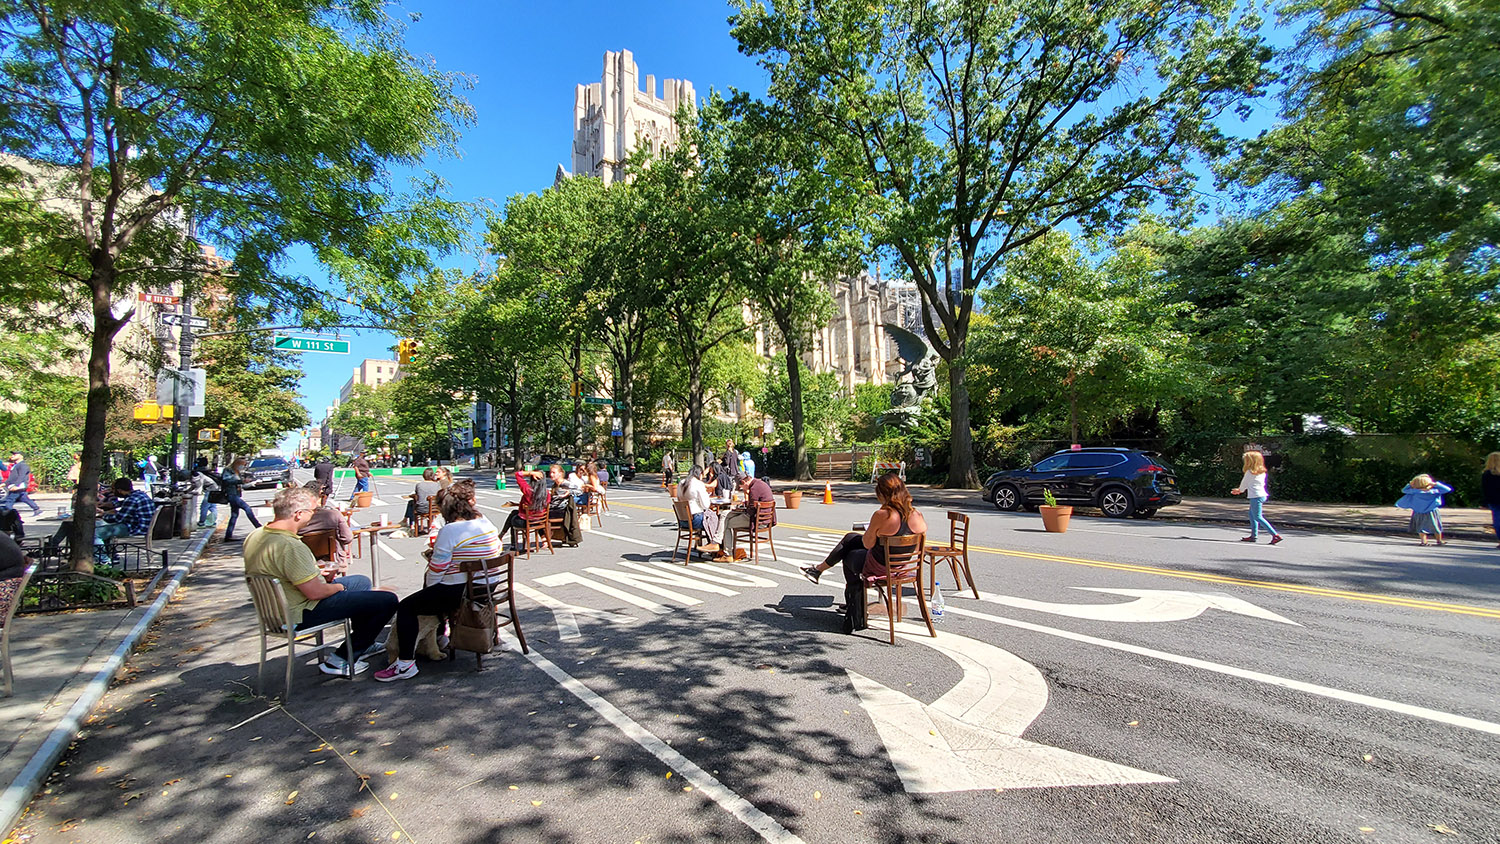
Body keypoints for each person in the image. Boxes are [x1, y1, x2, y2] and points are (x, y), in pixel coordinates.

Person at [244, 486, 397, 676]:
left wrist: (320, 577)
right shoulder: (290, 546)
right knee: (387, 600)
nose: (314, 515)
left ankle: (363, 642)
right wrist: (339, 587)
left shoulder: (256, 535)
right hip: (301, 612)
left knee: (361, 582)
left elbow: (285, 574)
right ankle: (339, 660)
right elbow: (315, 593)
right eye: (312, 511)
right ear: (299, 514)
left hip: (278, 607)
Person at [375, 481, 502, 682]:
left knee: (408, 606)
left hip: (460, 592)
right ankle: (439, 638)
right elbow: (498, 548)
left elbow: (436, 571)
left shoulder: (450, 531)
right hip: (488, 586)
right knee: (432, 597)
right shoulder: (485, 522)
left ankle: (405, 663)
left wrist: (430, 589)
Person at [800, 473, 927, 633]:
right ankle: (819, 571)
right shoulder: (917, 515)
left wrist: (875, 529)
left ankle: (854, 609)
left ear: (882, 494)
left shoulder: (883, 515)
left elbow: (868, 544)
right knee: (850, 538)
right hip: (903, 568)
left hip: (879, 567)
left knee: (847, 555)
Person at [708, 473, 776, 562]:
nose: (741, 489)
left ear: (744, 482)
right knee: (725, 514)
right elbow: (753, 505)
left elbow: (750, 511)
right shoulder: (760, 483)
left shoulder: (754, 489)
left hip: (757, 521)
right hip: (766, 518)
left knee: (726, 523)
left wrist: (740, 509)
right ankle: (717, 542)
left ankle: (727, 554)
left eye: (741, 487)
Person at [296, 481, 355, 578]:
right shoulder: (334, 515)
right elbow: (347, 538)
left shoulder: (297, 518)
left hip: (305, 563)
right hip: (332, 562)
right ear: (320, 497)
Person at [1230, 451, 1282, 545]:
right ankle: (1253, 536)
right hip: (1261, 495)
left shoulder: (1249, 472)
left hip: (1255, 496)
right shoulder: (1262, 472)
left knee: (1258, 517)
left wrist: (1239, 490)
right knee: (1252, 515)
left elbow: (1244, 485)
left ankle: (1275, 535)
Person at [1398, 474, 1453, 546]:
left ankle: (1424, 541)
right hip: (1432, 511)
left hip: (1418, 511)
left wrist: (1409, 484)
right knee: (1436, 526)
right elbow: (1447, 489)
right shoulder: (1434, 491)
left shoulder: (1414, 492)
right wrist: (1436, 484)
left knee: (1421, 527)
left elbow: (1404, 490)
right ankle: (1439, 540)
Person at [221, 457, 262, 542]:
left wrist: (251, 483)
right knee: (247, 508)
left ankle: (228, 535)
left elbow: (242, 486)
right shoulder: (228, 471)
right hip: (231, 494)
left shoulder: (237, 472)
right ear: (237, 463)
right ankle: (258, 527)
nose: (243, 467)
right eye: (242, 465)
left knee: (234, 515)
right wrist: (241, 481)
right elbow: (226, 481)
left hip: (236, 494)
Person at [676, 466, 716, 547]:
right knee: (716, 519)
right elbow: (705, 505)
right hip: (695, 520)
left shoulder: (681, 483)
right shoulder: (698, 484)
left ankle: (702, 544)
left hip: (682, 521)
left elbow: (678, 498)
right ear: (700, 474)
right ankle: (714, 544)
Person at [1, 451, 43, 518]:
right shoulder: (16, 465)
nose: (12, 456)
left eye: (15, 454)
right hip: (17, 486)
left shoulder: (23, 465)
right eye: (12, 454)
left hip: (19, 486)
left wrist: (16, 485)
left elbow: (21, 476)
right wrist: (5, 484)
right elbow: (12, 477)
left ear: (21, 456)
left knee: (9, 500)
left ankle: (7, 515)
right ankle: (37, 509)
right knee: (24, 498)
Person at [191, 457, 221, 527]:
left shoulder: (198, 474)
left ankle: (202, 522)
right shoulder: (205, 471)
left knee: (204, 506)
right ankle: (213, 522)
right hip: (215, 489)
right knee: (212, 506)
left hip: (210, 490)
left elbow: (199, 486)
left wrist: (194, 492)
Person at [1482, 452, 1500, 550]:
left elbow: (1486, 489)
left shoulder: (1487, 474)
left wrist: (1484, 502)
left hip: (1494, 500)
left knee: (1497, 521)